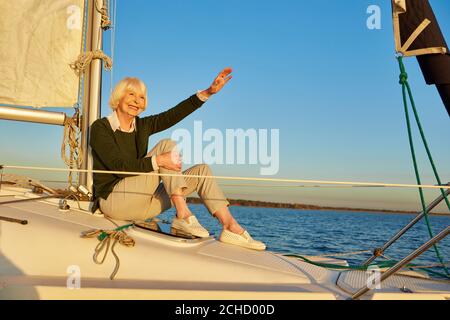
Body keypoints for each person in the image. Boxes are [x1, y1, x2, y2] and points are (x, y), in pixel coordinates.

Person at [89, 68, 266, 250]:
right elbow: (118, 166)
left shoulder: (142, 126)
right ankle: (182, 214)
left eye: (141, 97)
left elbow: (173, 115)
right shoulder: (101, 127)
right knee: (166, 146)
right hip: (113, 202)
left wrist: (208, 92)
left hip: (142, 203)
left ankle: (230, 226)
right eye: (131, 94)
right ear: (119, 96)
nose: (136, 100)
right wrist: (159, 161)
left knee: (201, 171)